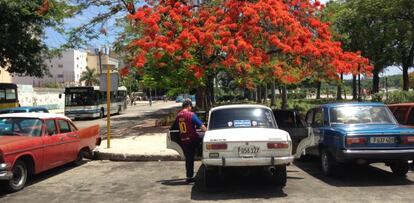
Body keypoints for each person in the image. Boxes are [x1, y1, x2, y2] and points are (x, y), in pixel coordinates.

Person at [174, 100, 207, 183]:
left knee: (189, 158)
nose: (191, 108)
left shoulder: (178, 116)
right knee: (203, 136)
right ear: (188, 106)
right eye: (191, 107)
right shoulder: (191, 115)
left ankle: (189, 177)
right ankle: (202, 153)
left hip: (184, 140)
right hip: (192, 138)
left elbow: (175, 128)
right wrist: (209, 133)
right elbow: (201, 126)